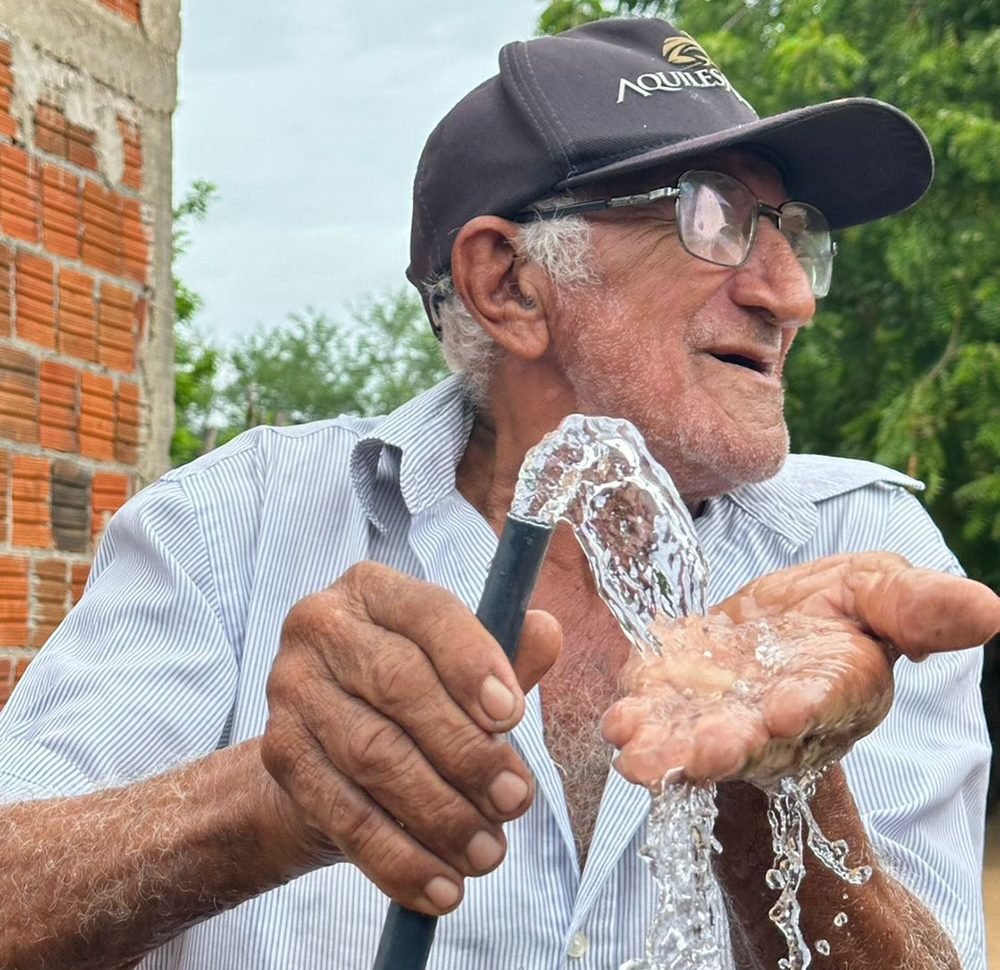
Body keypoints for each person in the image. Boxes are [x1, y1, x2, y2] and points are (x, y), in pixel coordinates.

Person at [0, 16, 995, 970]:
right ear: (507, 284)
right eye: (716, 217)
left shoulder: (866, 557)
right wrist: (273, 801)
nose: (790, 294)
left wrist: (781, 792)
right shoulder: (230, 524)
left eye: (793, 233)